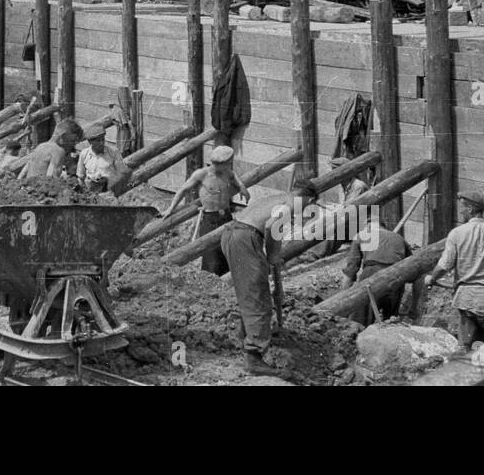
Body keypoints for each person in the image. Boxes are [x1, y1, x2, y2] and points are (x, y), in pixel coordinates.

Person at [219, 180, 318, 375]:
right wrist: (273, 255)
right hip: (245, 239)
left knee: (249, 291)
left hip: (232, 233)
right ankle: (254, 358)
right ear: (310, 199)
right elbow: (273, 225)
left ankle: (244, 336)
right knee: (259, 297)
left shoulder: (277, 198)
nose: (307, 209)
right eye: (310, 205)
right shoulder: (291, 205)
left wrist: (272, 253)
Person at [425, 190, 484, 352]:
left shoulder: (457, 234)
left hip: (466, 303)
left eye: (462, 208)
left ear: (470, 209)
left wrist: (431, 279)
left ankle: (478, 371)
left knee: (474, 348)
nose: (460, 212)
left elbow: (444, 265)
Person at [162, 145, 250, 274]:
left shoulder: (227, 173)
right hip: (210, 219)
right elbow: (183, 190)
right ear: (219, 163)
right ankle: (210, 285)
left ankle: (225, 284)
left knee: (227, 253)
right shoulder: (201, 174)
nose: (229, 166)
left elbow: (234, 177)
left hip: (226, 217)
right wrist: (170, 208)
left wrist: (242, 187)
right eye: (227, 163)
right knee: (211, 257)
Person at [341, 212, 416, 326]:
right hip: (396, 277)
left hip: (371, 275)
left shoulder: (362, 235)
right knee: (391, 322)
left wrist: (343, 303)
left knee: (358, 323)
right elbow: (414, 271)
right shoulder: (400, 238)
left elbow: (350, 272)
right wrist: (414, 306)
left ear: (369, 226)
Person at [15, 119, 83, 180]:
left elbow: (25, 170)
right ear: (64, 135)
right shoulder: (58, 151)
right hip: (40, 191)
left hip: (29, 189)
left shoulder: (40, 146)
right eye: (73, 140)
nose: (73, 144)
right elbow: (51, 179)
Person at [75, 122, 126, 193]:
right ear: (90, 142)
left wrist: (109, 180)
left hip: (110, 191)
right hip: (91, 191)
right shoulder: (84, 154)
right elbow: (80, 177)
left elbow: (122, 173)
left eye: (103, 139)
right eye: (98, 141)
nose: (102, 143)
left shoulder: (113, 152)